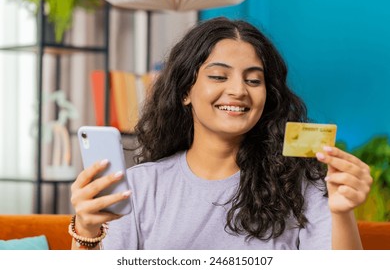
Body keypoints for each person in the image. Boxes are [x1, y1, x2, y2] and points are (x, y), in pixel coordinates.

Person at [70, 17, 372, 250]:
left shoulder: (304, 186)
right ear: (185, 90)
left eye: (254, 81)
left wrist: (342, 212)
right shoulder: (137, 187)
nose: (238, 91)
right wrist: (86, 230)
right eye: (218, 76)